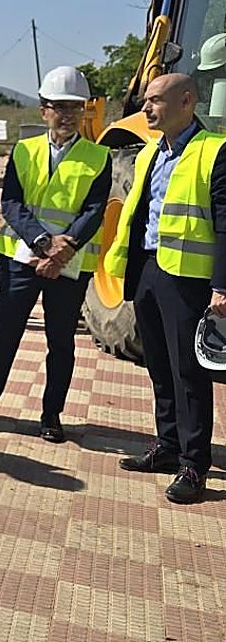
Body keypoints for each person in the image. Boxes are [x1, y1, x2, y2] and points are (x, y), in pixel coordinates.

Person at [0, 66, 109, 442]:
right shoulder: (23, 150)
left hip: (69, 265)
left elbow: (94, 210)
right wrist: (44, 243)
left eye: (75, 107)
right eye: (59, 106)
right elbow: (11, 203)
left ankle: (51, 416)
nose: (67, 114)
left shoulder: (98, 156)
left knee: (60, 342)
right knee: (5, 336)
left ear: (84, 111)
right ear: (43, 109)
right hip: (23, 259)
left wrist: (64, 248)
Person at [105, 72, 226, 504]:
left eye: (155, 101)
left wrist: (221, 286)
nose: (146, 109)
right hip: (148, 270)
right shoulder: (150, 153)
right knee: (159, 365)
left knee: (188, 372)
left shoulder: (214, 152)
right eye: (146, 100)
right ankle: (168, 446)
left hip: (188, 278)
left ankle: (195, 465)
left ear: (186, 102)